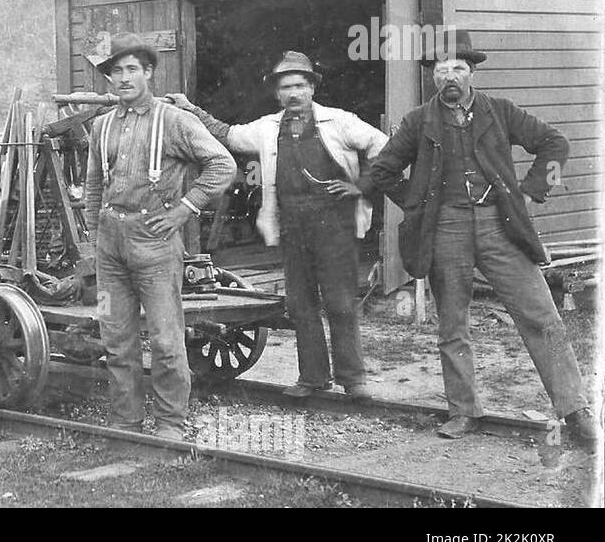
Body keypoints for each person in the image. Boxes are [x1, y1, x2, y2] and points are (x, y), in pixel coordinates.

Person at [368, 30, 598, 443]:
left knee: (541, 316)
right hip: (446, 230)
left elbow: (555, 144)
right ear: (433, 76)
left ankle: (576, 411)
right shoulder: (418, 121)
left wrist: (532, 192)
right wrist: (416, 204)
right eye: (441, 68)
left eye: (458, 67)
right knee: (453, 323)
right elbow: (382, 171)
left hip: (500, 225)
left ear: (471, 72)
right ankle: (464, 411)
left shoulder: (500, 111)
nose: (449, 75)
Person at [170, 51, 388, 400]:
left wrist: (362, 186)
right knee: (300, 304)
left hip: (335, 227)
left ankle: (354, 379)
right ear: (278, 93)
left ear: (312, 87)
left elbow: (383, 145)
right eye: (286, 87)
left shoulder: (340, 121)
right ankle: (313, 378)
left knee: (340, 302)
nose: (294, 93)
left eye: (300, 85)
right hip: (293, 227)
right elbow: (227, 134)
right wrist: (190, 109)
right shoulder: (268, 128)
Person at [84, 32, 236, 440]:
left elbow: (222, 165)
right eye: (116, 71)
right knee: (116, 338)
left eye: (132, 69)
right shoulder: (100, 126)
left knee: (167, 339)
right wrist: (93, 228)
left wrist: (184, 210)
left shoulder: (174, 121)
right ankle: (126, 420)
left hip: (155, 240)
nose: (123, 78)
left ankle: (171, 421)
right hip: (110, 244)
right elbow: (94, 183)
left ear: (148, 72)